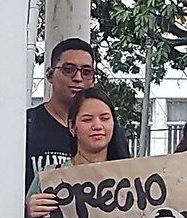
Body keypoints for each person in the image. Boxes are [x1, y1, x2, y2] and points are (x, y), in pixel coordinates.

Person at [26, 39, 129, 194]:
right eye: (68, 69)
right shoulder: (26, 125)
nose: (78, 78)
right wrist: (28, 212)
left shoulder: (111, 134)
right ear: (50, 74)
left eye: (86, 72)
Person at [26, 88, 122, 218]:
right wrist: (28, 212)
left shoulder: (130, 176)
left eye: (105, 118)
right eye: (87, 119)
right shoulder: (49, 176)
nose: (97, 126)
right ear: (72, 126)